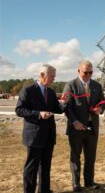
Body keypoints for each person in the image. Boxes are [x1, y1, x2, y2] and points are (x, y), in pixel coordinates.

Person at [15, 64, 67, 193]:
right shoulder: (28, 90)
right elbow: (19, 110)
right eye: (52, 77)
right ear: (42, 75)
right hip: (34, 136)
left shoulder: (50, 91)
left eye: (54, 77)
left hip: (49, 135)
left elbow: (57, 109)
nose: (53, 79)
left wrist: (64, 103)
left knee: (45, 167)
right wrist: (38, 114)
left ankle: (44, 190)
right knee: (31, 168)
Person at [63, 60, 105, 192]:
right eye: (85, 72)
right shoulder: (70, 85)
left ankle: (89, 182)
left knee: (90, 156)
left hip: (92, 127)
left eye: (90, 72)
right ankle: (76, 183)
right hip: (76, 128)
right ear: (78, 71)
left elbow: (103, 102)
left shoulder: (97, 86)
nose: (88, 75)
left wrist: (100, 109)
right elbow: (67, 107)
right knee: (75, 156)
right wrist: (74, 121)